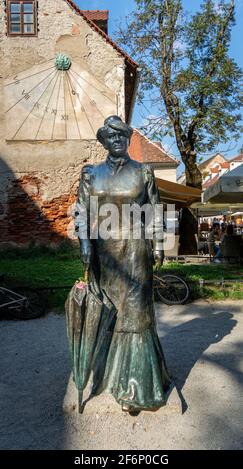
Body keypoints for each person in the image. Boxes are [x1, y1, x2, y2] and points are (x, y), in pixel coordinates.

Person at [74, 115, 172, 413]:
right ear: (104, 141)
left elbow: (154, 211)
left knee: (136, 315)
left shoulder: (143, 173)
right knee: (108, 313)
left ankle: (136, 384)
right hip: (105, 254)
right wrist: (85, 244)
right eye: (111, 136)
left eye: (122, 135)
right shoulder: (92, 174)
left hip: (135, 250)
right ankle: (105, 375)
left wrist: (157, 245)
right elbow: (81, 212)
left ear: (128, 139)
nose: (117, 140)